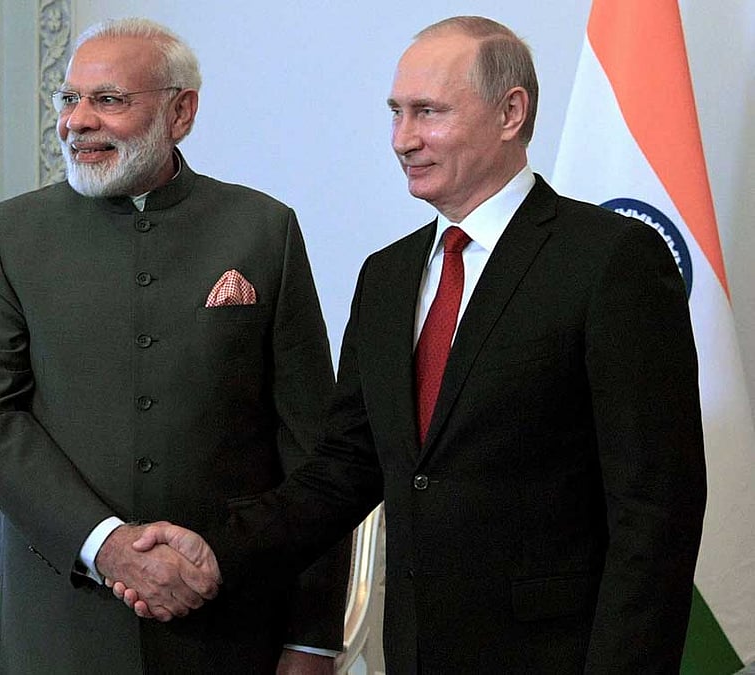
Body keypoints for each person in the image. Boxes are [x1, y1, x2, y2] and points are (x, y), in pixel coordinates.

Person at [120, 15, 708, 673]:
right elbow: (346, 464)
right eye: (396, 113)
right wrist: (219, 549)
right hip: (417, 651)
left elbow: (655, 512)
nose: (403, 139)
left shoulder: (611, 260)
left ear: (511, 112)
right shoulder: (389, 275)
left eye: (428, 112)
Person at [0, 17, 351, 675]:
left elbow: (312, 448)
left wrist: (311, 638)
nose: (76, 120)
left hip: (233, 628)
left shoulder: (264, 230)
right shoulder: (9, 235)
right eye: (68, 98)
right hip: (61, 632)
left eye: (108, 100)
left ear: (181, 111)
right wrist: (108, 547)